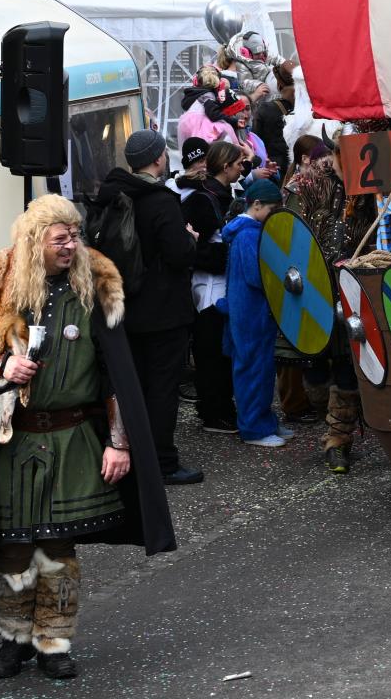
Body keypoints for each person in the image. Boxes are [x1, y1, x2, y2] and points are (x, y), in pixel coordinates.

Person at [0, 194, 176, 681]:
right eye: (60, 238)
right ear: (34, 242)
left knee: (58, 548)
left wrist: (119, 443)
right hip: (12, 441)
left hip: (72, 437)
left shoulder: (96, 288)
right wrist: (3, 364)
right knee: (14, 546)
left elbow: (115, 375)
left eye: (75, 237)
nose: (71, 246)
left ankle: (53, 642)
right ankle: (12, 639)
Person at [98, 129, 204, 487]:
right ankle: (163, 462)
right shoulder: (160, 201)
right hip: (163, 312)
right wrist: (191, 240)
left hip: (123, 308)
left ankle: (133, 454)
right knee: (162, 389)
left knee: (134, 386)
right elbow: (177, 255)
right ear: (159, 157)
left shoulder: (112, 194)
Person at [282, 135, 365, 474]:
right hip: (314, 291)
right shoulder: (306, 185)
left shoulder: (371, 188)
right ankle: (329, 420)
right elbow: (287, 236)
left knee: (347, 369)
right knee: (316, 371)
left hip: (355, 289)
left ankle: (338, 441)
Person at [177, 138, 245, 435]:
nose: (244, 167)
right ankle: (213, 410)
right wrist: (225, 256)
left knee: (223, 349)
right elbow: (191, 248)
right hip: (208, 288)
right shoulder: (200, 200)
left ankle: (221, 406)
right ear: (226, 166)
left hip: (224, 284)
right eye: (239, 163)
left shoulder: (226, 194)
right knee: (211, 350)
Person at [221, 178, 290, 447]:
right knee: (253, 371)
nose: (273, 216)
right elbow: (256, 275)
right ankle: (253, 429)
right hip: (251, 312)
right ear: (257, 205)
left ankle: (264, 421)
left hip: (250, 311)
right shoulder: (249, 235)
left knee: (259, 370)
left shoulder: (245, 232)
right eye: (272, 210)